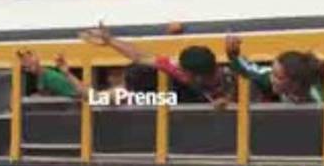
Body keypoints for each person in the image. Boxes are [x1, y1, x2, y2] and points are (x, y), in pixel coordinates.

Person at [79, 23, 235, 109]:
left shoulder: (231, 79)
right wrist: (110, 41)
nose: (179, 71)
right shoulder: (177, 72)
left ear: (198, 75)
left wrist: (225, 103)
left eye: (184, 71)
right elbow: (141, 56)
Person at [223, 35, 324, 104]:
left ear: (295, 83)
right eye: (273, 72)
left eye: (278, 77)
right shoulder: (270, 78)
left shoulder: (317, 96)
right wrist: (233, 54)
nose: (272, 79)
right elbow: (248, 70)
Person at [18, 50, 84, 99]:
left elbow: (77, 96)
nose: (27, 62)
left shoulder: (52, 78)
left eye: (29, 57)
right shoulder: (39, 78)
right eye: (23, 60)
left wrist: (67, 73)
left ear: (37, 58)